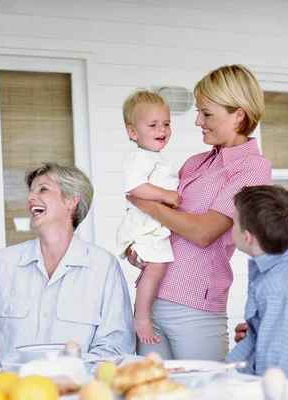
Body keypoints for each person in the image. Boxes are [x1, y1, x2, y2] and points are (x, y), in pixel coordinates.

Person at [126, 64, 271, 361]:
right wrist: (137, 245)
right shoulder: (194, 163)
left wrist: (146, 202)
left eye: (206, 113)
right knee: (151, 392)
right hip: (150, 299)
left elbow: (204, 232)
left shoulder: (252, 167)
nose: (197, 121)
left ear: (238, 114)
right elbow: (160, 221)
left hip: (194, 307)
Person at [0, 162, 135, 366]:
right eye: (30, 192)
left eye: (43, 189)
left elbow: (117, 346)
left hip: (75, 387)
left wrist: (70, 371)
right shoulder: (1, 263)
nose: (30, 198)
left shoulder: (103, 267)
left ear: (71, 201)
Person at [225, 185, 288, 378]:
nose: (231, 228)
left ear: (247, 236)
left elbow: (274, 367)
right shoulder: (280, 272)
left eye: (234, 223)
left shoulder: (276, 291)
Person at [116, 89, 180, 345]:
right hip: (144, 224)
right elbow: (134, 187)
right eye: (152, 125)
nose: (161, 130)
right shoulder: (138, 158)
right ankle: (141, 317)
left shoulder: (153, 157)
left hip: (153, 223)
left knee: (155, 268)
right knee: (155, 268)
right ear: (133, 132)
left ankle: (143, 314)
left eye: (166, 124)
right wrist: (166, 194)